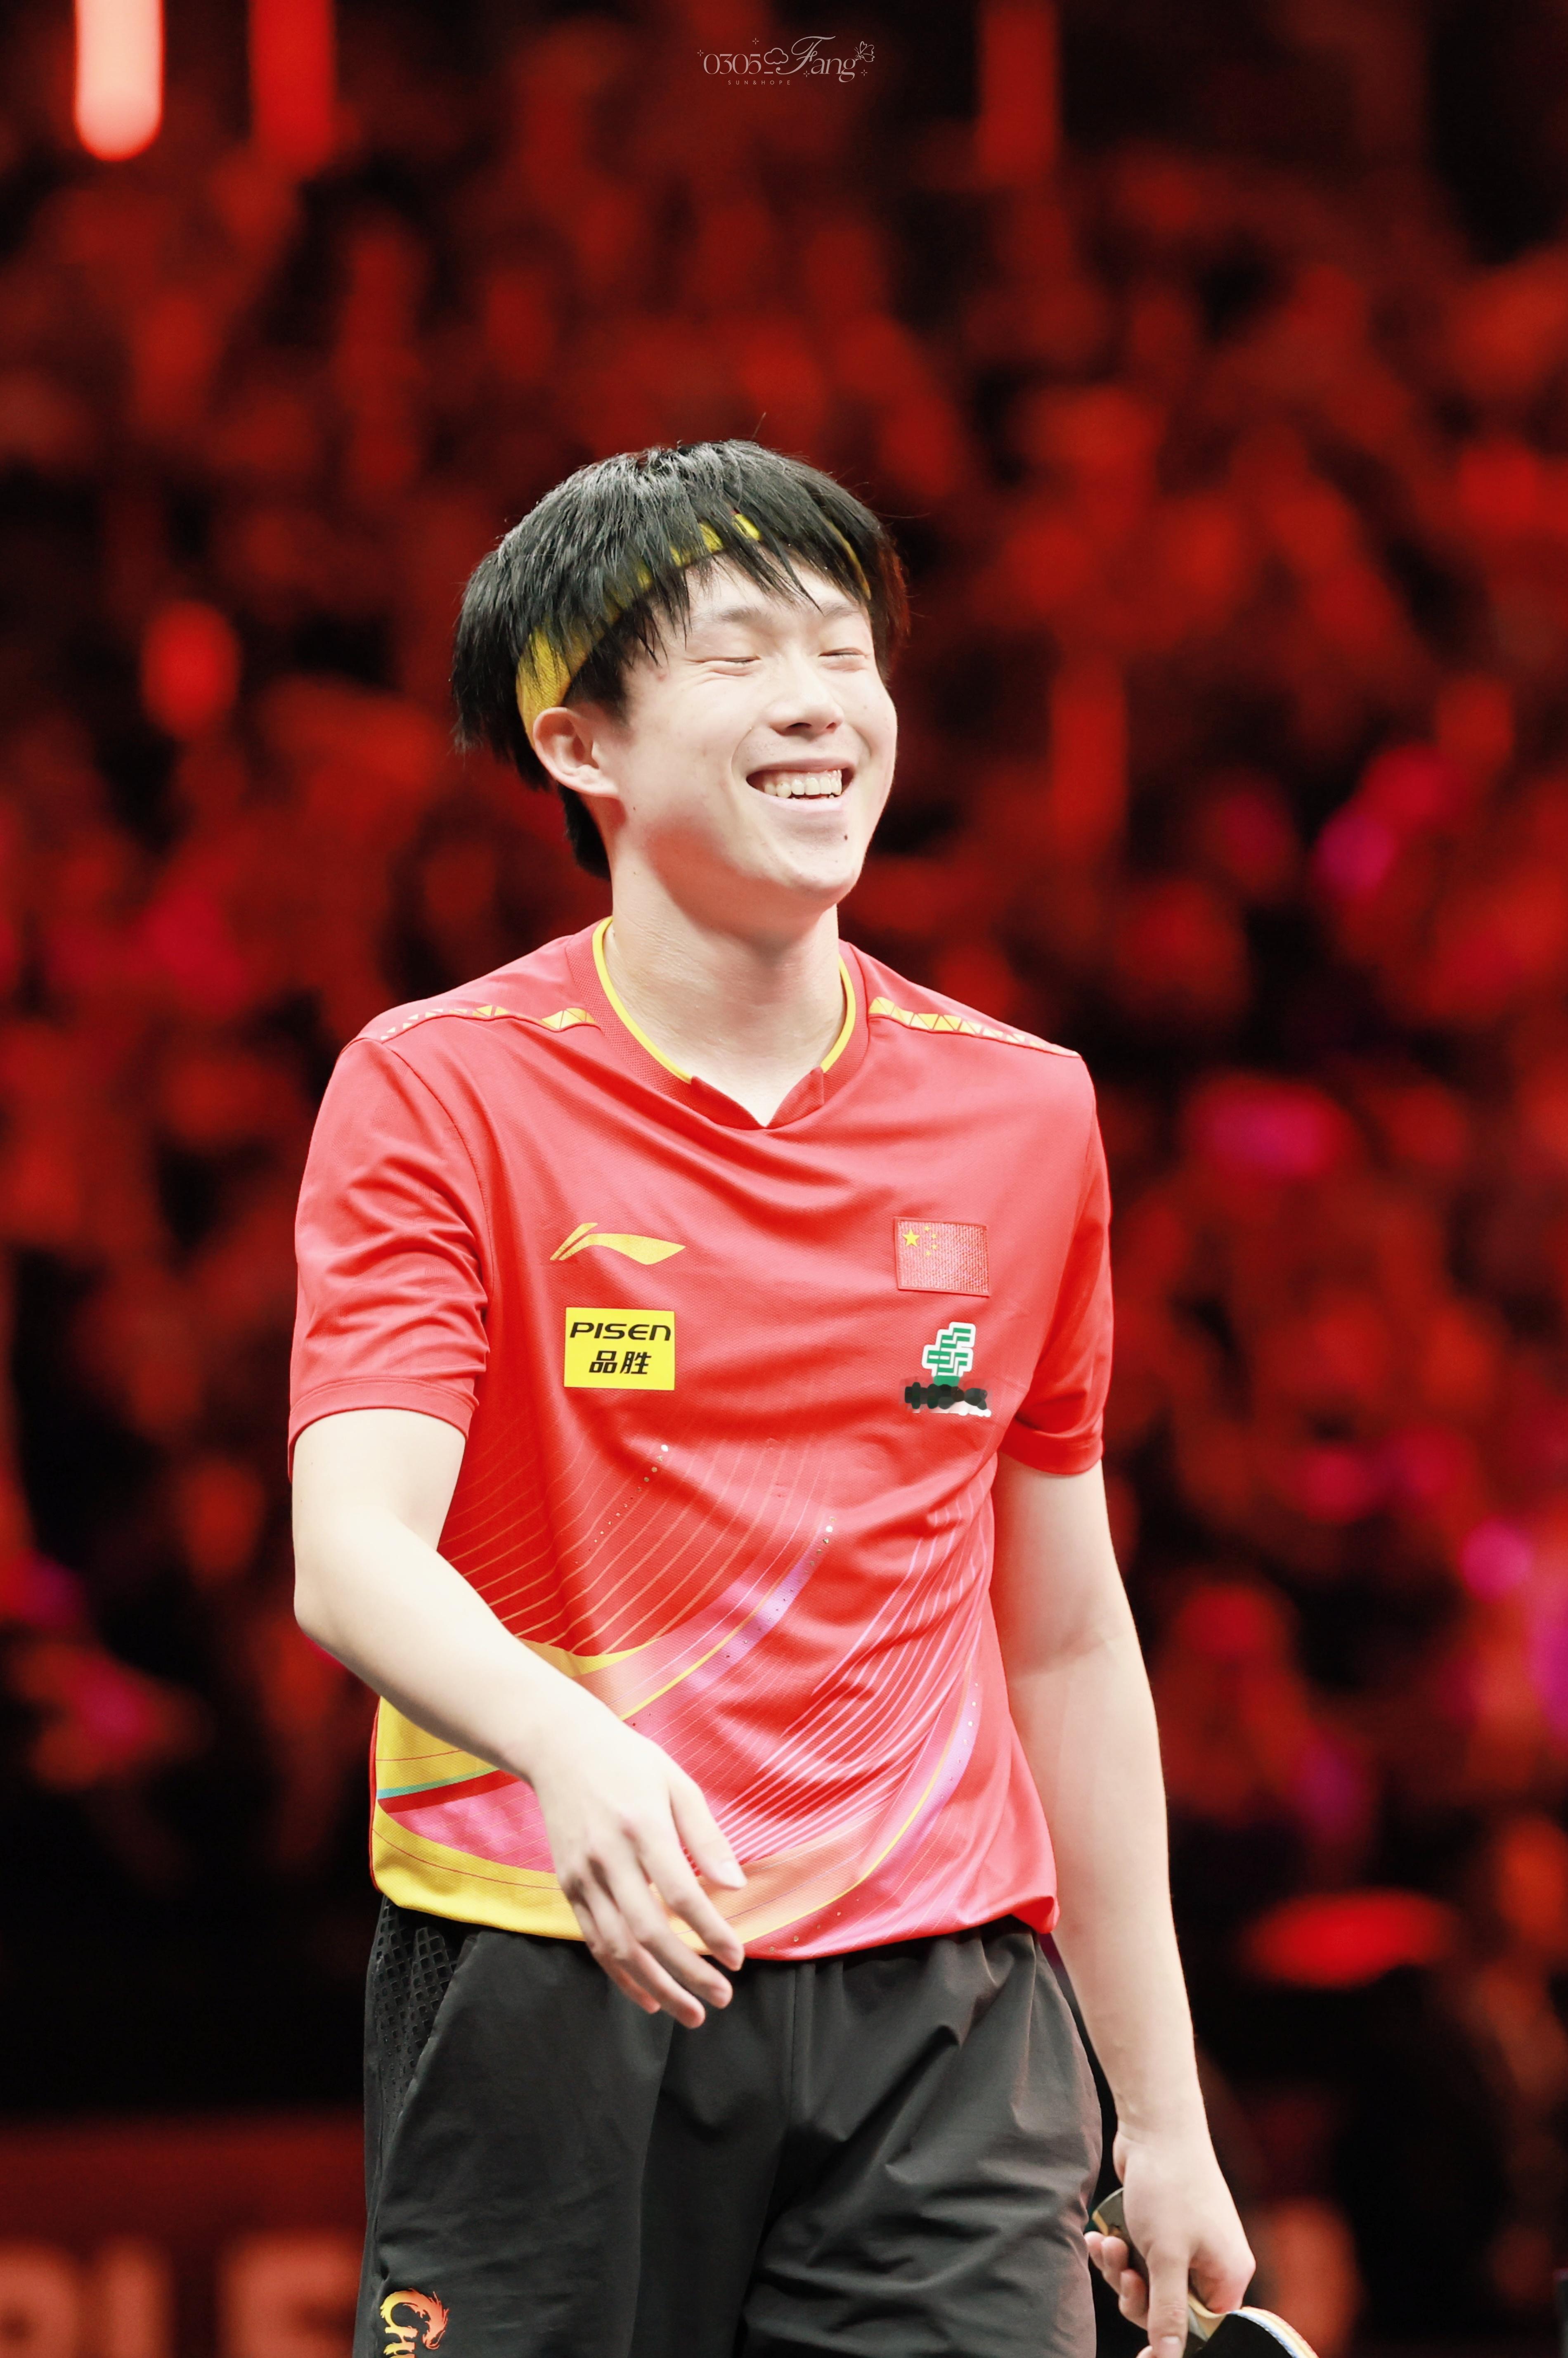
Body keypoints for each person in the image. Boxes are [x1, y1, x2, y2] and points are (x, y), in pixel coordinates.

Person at [289, 439, 1252, 2358]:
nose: (819, 702)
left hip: (945, 2009)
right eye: (738, 657)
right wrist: (568, 1746)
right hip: (551, 1962)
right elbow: (352, 1556)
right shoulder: (440, 1089)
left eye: (843, 650)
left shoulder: (1020, 1109)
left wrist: (1160, 2112)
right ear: (579, 746)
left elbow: (1062, 1632)